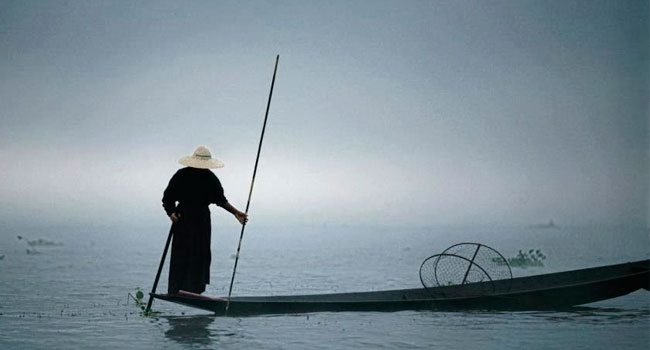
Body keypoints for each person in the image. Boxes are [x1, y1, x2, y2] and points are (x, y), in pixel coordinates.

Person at [162, 145, 248, 295]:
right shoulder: (181, 175)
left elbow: (220, 200)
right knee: (181, 254)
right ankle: (176, 289)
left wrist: (236, 213)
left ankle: (195, 289)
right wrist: (171, 213)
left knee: (200, 254)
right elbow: (167, 198)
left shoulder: (210, 178)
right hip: (183, 219)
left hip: (201, 220)